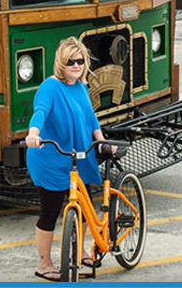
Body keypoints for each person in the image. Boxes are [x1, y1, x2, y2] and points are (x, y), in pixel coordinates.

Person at [25, 36, 111, 281]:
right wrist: (33, 133)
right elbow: (40, 112)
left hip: (79, 154)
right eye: (70, 62)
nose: (76, 65)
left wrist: (101, 139)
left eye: (80, 61)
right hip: (51, 156)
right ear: (60, 63)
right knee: (50, 211)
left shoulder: (81, 86)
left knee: (84, 205)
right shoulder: (50, 87)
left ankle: (81, 249)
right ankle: (44, 264)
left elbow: (90, 117)